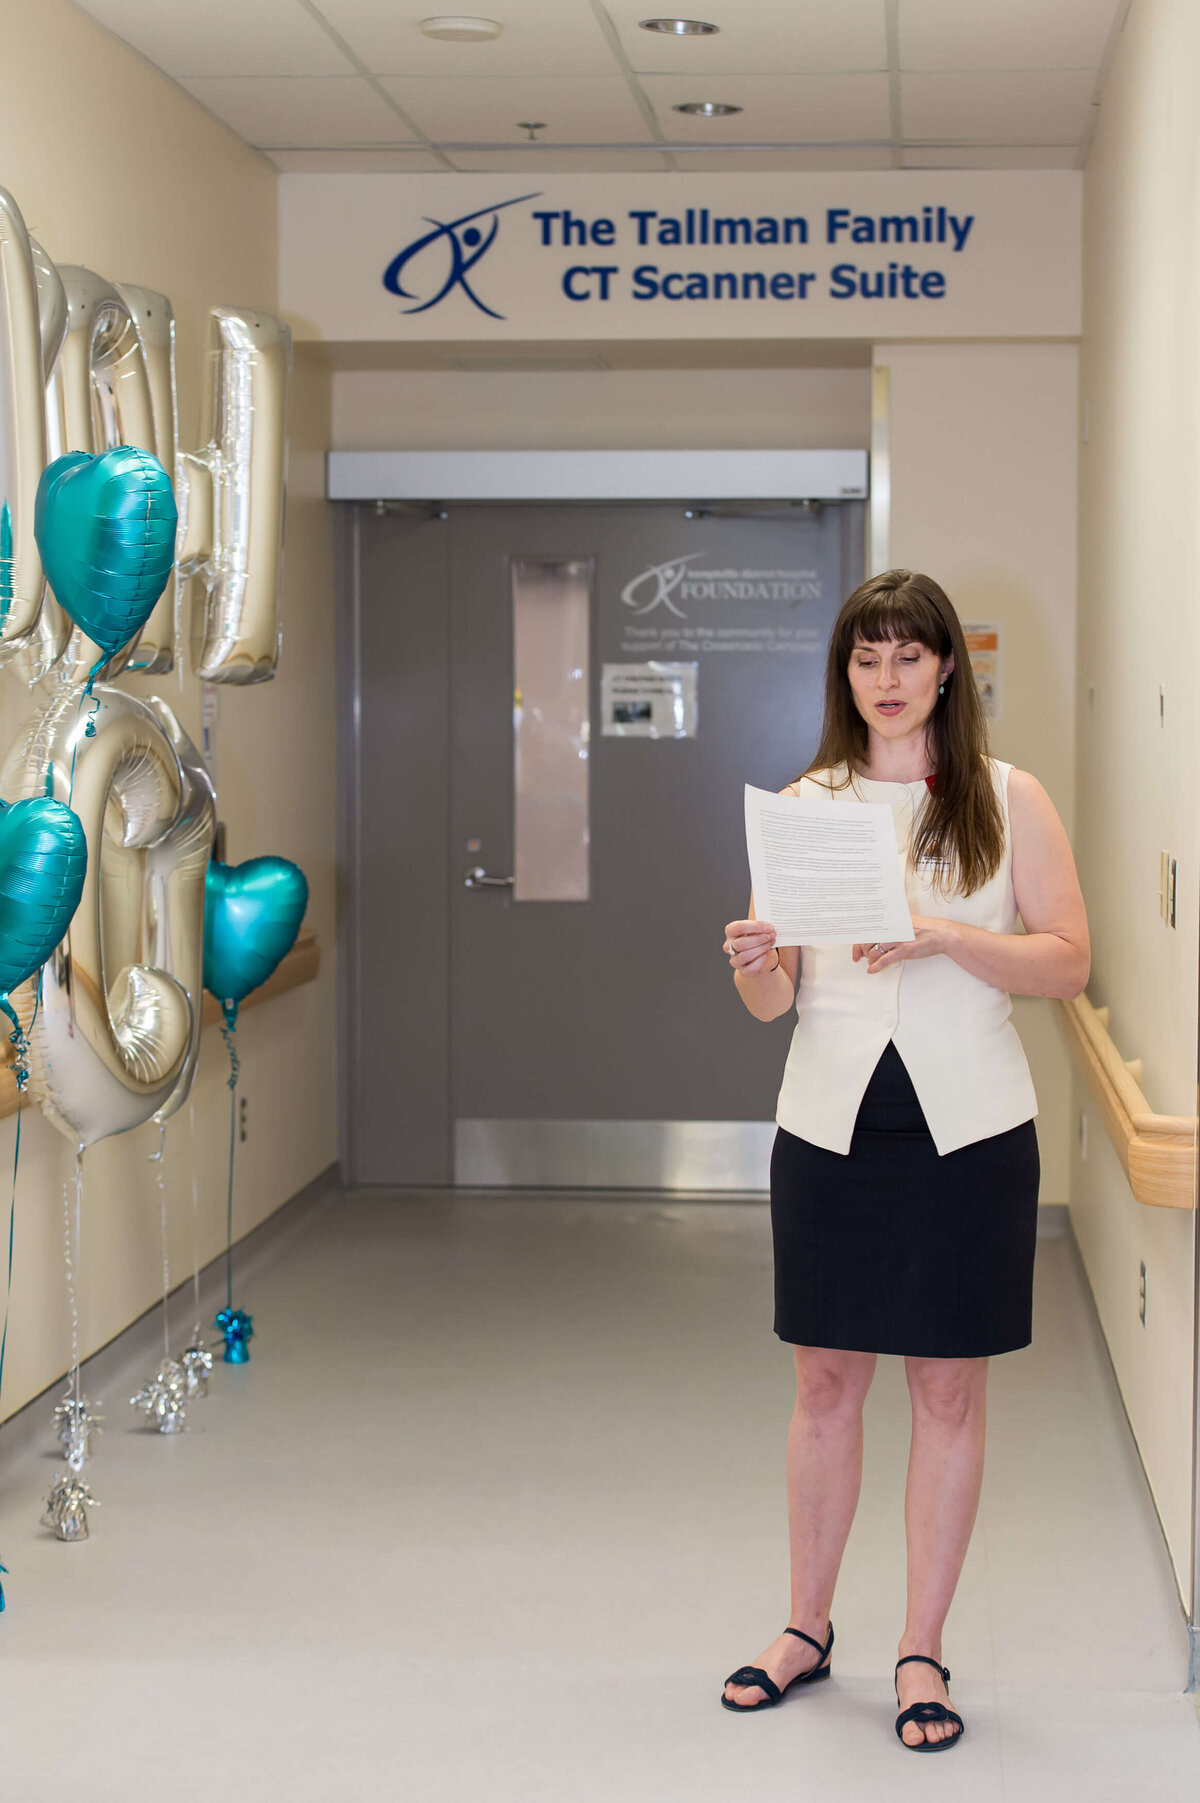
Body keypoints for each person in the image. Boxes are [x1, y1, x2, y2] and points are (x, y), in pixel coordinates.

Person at [719, 569, 1089, 1751]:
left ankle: (921, 1649)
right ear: (848, 675)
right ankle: (806, 1626)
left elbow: (1069, 962)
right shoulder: (805, 802)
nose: (886, 680)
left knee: (946, 1387)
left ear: (945, 671)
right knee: (825, 1383)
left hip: (968, 1129)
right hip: (829, 1126)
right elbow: (774, 1004)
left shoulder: (1004, 796)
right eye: (865, 659)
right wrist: (748, 958)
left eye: (907, 657)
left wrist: (944, 938)